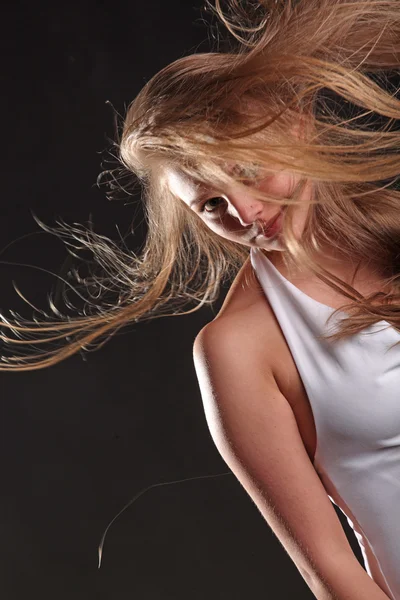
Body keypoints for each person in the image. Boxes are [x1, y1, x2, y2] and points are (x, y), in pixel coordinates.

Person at [2, 0, 400, 597]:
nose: (243, 213)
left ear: (296, 129)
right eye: (211, 205)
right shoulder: (238, 348)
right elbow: (331, 569)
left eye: (248, 169)